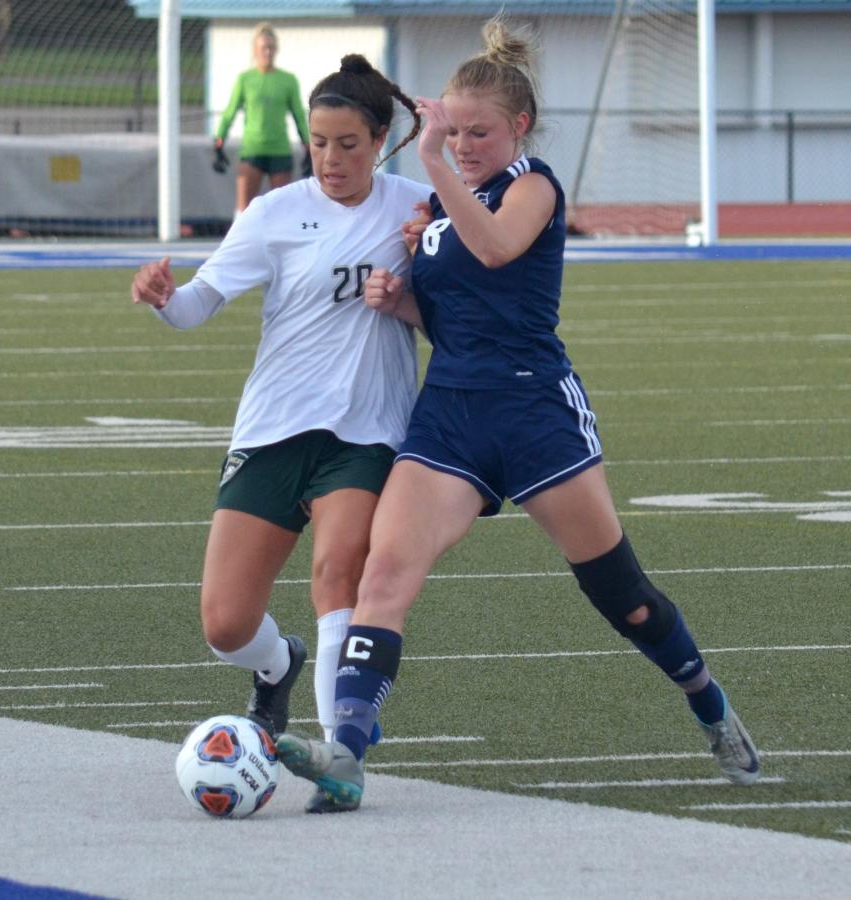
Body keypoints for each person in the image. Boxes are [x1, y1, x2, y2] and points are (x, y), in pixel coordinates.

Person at [276, 16, 761, 813]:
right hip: (450, 417)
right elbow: (456, 315)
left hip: (536, 412)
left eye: (479, 132)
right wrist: (402, 304)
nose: (463, 144)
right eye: (453, 131)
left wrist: (433, 166)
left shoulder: (531, 186)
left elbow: (499, 249)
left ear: (519, 128)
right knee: (384, 574)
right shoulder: (439, 205)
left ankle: (708, 702)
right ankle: (348, 752)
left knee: (624, 596)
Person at [132, 55, 428, 814]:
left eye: (348, 145)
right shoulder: (273, 211)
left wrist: (409, 292)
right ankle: (277, 667)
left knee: (339, 573)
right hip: (272, 430)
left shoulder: (420, 208)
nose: (330, 160)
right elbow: (199, 303)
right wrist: (165, 297)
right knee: (226, 623)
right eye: (319, 143)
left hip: (364, 435)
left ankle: (340, 755)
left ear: (382, 140)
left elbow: (466, 303)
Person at [213, 22, 311, 216]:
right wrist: (219, 142)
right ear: (255, 50)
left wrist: (308, 146)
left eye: (271, 48)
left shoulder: (288, 80)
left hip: (279, 150)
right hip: (253, 151)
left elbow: (299, 115)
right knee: (244, 211)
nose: (268, 52)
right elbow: (229, 112)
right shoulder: (245, 79)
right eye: (264, 48)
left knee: (282, 210)